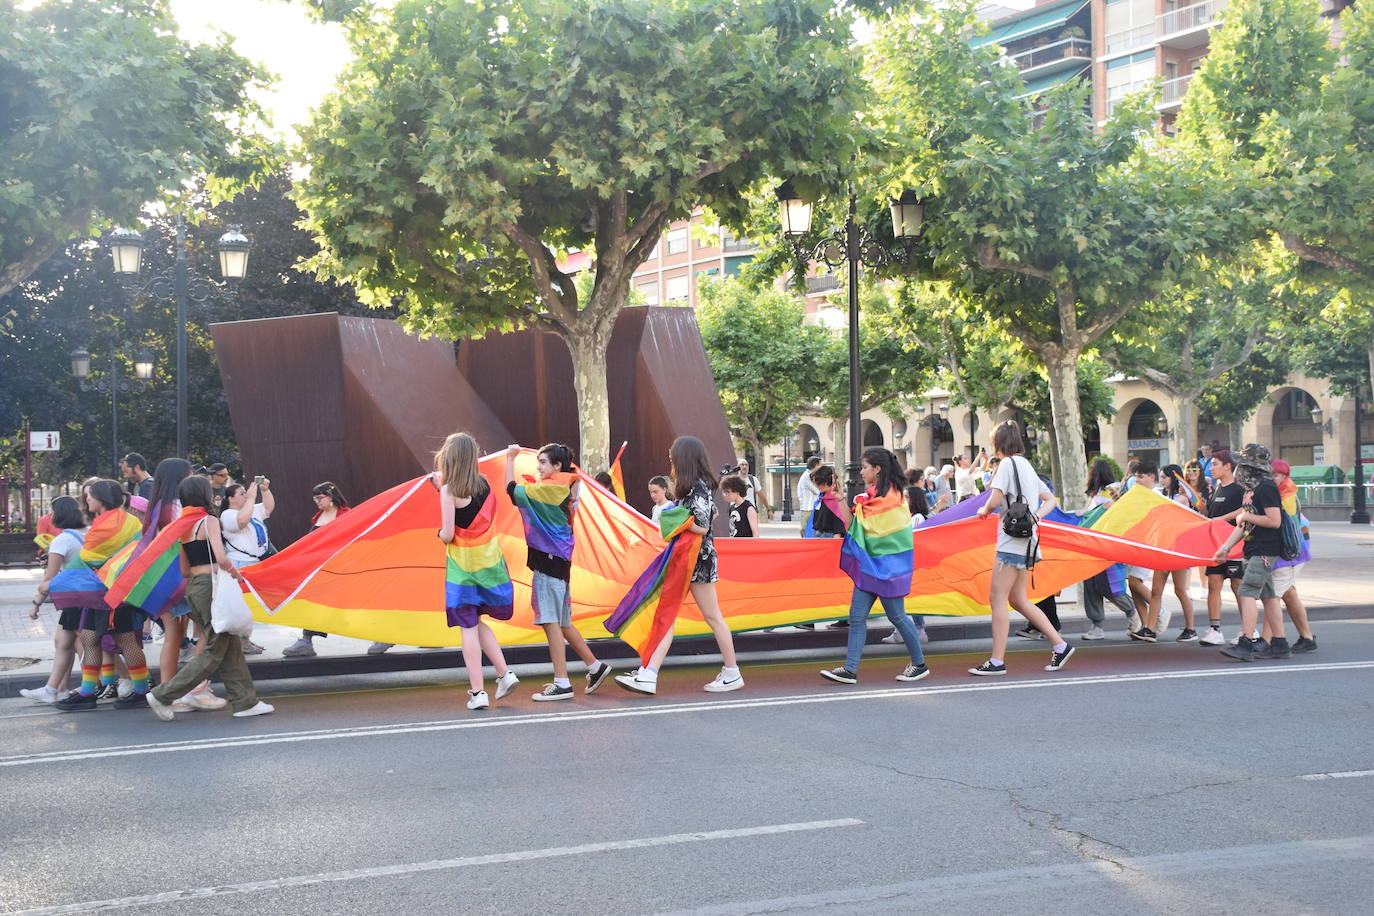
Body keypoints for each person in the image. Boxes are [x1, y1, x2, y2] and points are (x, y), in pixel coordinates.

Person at [616, 436, 743, 695]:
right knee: (671, 614)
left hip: (694, 559)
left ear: (683, 458)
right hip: (693, 559)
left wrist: (677, 520)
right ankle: (649, 673)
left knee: (702, 616)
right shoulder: (698, 486)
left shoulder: (695, 487)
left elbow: (703, 526)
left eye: (673, 455)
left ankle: (731, 672)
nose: (670, 458)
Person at [145, 476, 274, 719]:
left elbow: (184, 569)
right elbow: (222, 558)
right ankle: (163, 695)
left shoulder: (184, 525)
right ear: (204, 494)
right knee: (215, 647)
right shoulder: (209, 520)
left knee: (230, 643)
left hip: (194, 586)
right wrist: (235, 574)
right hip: (212, 586)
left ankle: (246, 702)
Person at [506, 443, 614, 701]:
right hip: (560, 562)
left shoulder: (549, 488)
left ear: (557, 466)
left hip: (548, 563)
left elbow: (512, 491)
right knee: (563, 623)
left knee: (550, 622)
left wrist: (510, 459)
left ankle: (562, 682)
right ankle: (595, 666)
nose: (539, 467)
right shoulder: (569, 484)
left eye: (543, 462)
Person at [971, 421, 1074, 676]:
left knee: (997, 599)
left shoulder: (1006, 465)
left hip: (1010, 543)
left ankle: (997, 661)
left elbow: (994, 500)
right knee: (1018, 600)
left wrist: (983, 511)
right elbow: (1050, 499)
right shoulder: (1026, 465)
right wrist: (1036, 516)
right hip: (1028, 542)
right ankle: (1059, 644)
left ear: (999, 443)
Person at [435, 432, 520, 710]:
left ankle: (477, 692)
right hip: (490, 566)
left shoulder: (449, 490)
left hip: (464, 572)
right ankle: (504, 674)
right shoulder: (484, 485)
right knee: (478, 623)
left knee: (467, 627)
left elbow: (448, 534)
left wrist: (439, 531)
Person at [1213, 445, 1290, 661]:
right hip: (1254, 547)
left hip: (1265, 549)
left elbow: (1274, 521)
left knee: (1246, 591)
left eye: (1241, 465)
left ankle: (1246, 642)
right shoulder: (1251, 489)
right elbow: (1242, 524)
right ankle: (1280, 643)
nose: (1237, 469)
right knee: (1268, 596)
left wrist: (1247, 518)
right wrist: (1225, 548)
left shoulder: (1265, 487)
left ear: (1250, 467)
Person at [20, 496, 87, 704]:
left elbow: (50, 579)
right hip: (89, 594)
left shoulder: (62, 540)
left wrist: (36, 603)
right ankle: (56, 689)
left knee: (84, 645)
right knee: (64, 642)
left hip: (75, 597)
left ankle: (93, 687)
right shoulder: (89, 533)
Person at [282, 482, 351, 658]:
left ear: (331, 495)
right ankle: (306, 640)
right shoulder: (317, 517)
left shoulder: (347, 515)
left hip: (342, 569)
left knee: (356, 604)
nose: (316, 501)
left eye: (320, 497)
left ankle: (383, 635)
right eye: (315, 498)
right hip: (319, 570)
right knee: (313, 602)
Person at [1142, 464, 1202, 642]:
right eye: (1160, 477)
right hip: (1163, 547)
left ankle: (1191, 629)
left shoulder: (1181, 498)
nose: (1161, 480)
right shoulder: (1163, 495)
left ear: (1173, 478)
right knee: (1156, 591)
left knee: (1180, 590)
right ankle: (1149, 629)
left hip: (1177, 549)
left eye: (1164, 477)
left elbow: (1168, 511)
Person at [1268, 459, 1317, 652]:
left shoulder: (1286, 496)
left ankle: (1271, 640)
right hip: (1294, 550)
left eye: (1276, 475)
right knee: (1288, 593)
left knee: (1272, 596)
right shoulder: (1284, 491)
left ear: (1284, 476)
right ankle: (1306, 637)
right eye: (1270, 475)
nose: (1273, 479)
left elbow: (1279, 525)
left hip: (1289, 552)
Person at [1201, 449, 1245, 646]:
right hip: (1216, 546)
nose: (1211, 468)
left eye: (1215, 464)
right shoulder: (1217, 488)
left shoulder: (1239, 488)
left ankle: (1247, 629)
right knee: (1213, 584)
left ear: (1228, 466)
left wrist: (1224, 519)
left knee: (1237, 586)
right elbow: (1211, 513)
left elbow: (1246, 509)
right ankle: (1215, 629)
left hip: (1236, 546)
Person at [1125, 460, 1164, 641]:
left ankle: (1159, 613)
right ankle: (1147, 626)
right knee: (1132, 585)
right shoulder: (1139, 495)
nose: (1137, 480)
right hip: (1138, 546)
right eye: (1136, 476)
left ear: (1151, 477)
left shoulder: (1156, 496)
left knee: (1134, 582)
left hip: (1151, 546)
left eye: (1140, 476)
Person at [797, 456, 822, 535]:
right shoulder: (807, 476)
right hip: (808, 508)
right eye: (820, 465)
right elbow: (817, 491)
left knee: (809, 531)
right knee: (806, 531)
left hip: (810, 508)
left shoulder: (809, 475)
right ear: (816, 465)